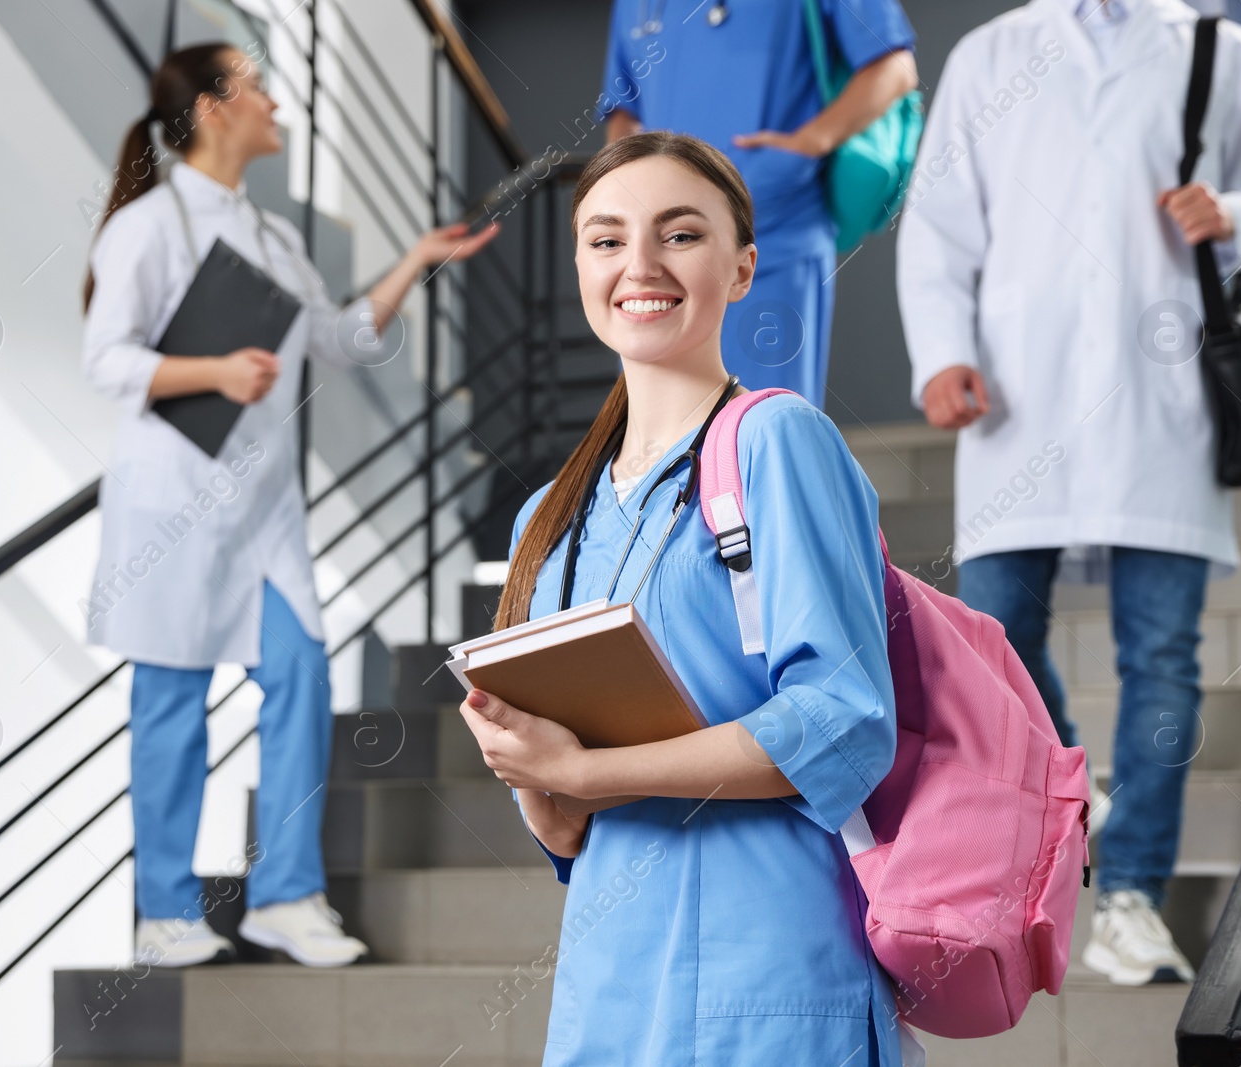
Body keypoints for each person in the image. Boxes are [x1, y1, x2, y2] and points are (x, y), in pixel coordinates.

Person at [897, 0, 1241, 986]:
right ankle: (1072, 785)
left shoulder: (1218, 48)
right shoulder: (989, 54)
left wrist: (1237, 214)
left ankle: (1128, 893)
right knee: (990, 641)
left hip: (1163, 406)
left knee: (1162, 651)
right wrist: (943, 354)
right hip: (1014, 404)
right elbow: (938, 224)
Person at [458, 131, 908, 1066]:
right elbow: (566, 831)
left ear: (742, 268)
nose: (640, 266)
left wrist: (584, 773)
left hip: (772, 973)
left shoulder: (777, 443)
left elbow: (841, 722)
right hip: (611, 982)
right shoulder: (546, 518)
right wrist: (537, 778)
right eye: (606, 238)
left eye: (681, 234)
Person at [81, 43, 498, 968]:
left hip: (263, 513)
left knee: (302, 675)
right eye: (257, 85)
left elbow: (342, 337)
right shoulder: (147, 227)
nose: (276, 100)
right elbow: (105, 358)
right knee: (172, 702)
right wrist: (215, 370)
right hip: (174, 508)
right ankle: (165, 914)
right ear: (215, 109)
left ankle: (284, 896)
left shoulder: (271, 238)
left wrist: (418, 260)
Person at [599, 0, 918, 402]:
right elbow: (623, 110)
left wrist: (810, 142)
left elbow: (895, 66)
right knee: (659, 435)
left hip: (774, 239)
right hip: (659, 256)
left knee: (762, 433)